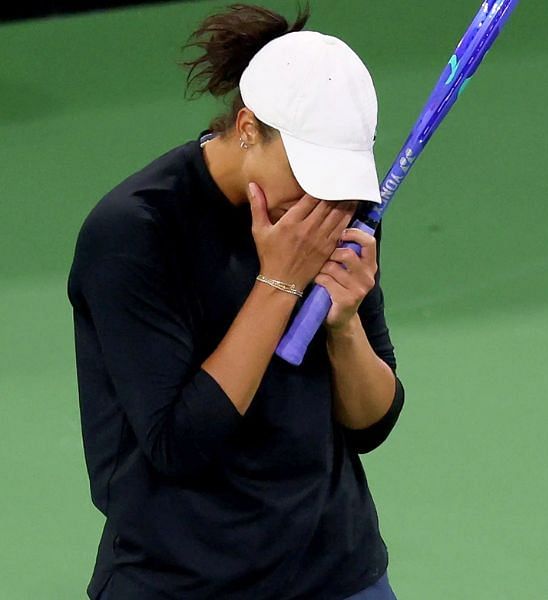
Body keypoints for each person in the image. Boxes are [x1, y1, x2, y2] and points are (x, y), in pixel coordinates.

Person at [67, 6, 404, 598]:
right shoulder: (134, 233)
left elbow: (372, 424)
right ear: (248, 127)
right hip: (183, 580)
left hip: (336, 571)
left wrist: (345, 324)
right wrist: (278, 283)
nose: (325, 198)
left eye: (340, 176)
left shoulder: (335, 210)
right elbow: (178, 445)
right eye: (308, 169)